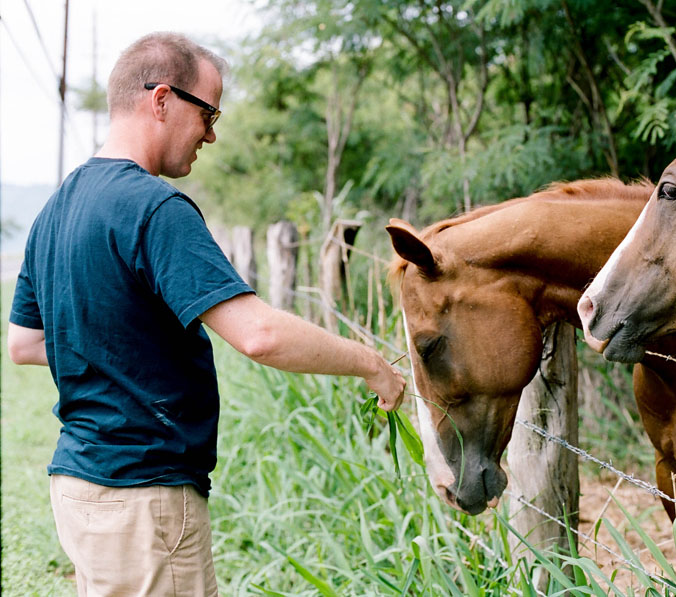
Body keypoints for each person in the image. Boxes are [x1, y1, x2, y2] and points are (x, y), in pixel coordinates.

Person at [7, 32, 405, 597]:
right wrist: (369, 362)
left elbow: (24, 343)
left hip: (79, 486)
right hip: (144, 496)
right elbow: (259, 334)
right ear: (162, 99)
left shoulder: (55, 209)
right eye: (209, 113)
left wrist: (114, 334)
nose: (212, 135)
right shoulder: (155, 207)